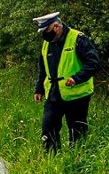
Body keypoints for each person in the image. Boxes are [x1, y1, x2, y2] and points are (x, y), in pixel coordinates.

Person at [33, 12, 100, 151]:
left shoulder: (78, 39)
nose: (45, 36)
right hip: (54, 93)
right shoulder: (47, 44)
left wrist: (76, 78)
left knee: (77, 131)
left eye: (47, 31)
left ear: (56, 27)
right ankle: (52, 159)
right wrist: (38, 88)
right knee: (48, 127)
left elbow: (93, 63)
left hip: (77, 95)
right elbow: (43, 68)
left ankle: (78, 160)